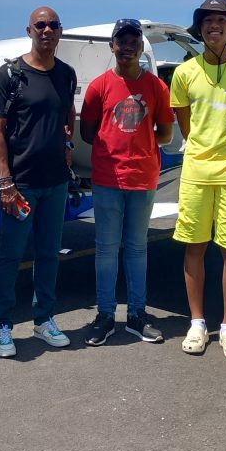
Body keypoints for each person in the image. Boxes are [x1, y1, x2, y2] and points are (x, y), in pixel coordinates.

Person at [0, 6, 77, 358]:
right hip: (21, 184)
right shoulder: (10, 75)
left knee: (49, 254)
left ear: (60, 31)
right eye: (40, 25)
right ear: (29, 31)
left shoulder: (66, 74)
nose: (47, 30)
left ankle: (44, 319)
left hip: (55, 183)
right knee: (10, 256)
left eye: (53, 25)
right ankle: (2, 325)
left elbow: (67, 112)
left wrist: (67, 144)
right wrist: (5, 181)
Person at [169, 0, 226, 360]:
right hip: (196, 172)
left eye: (221, 20)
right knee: (195, 247)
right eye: (207, 21)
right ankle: (197, 322)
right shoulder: (184, 72)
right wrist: (204, 150)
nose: (214, 26)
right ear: (200, 28)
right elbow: (186, 123)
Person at [79, 18, 175, 346]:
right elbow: (88, 132)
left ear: (140, 47)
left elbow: (166, 133)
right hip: (107, 179)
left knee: (137, 248)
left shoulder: (157, 87)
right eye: (121, 41)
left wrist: (139, 145)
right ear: (112, 46)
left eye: (134, 41)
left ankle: (137, 314)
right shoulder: (98, 87)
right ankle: (105, 314)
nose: (127, 47)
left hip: (142, 179)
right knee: (106, 249)